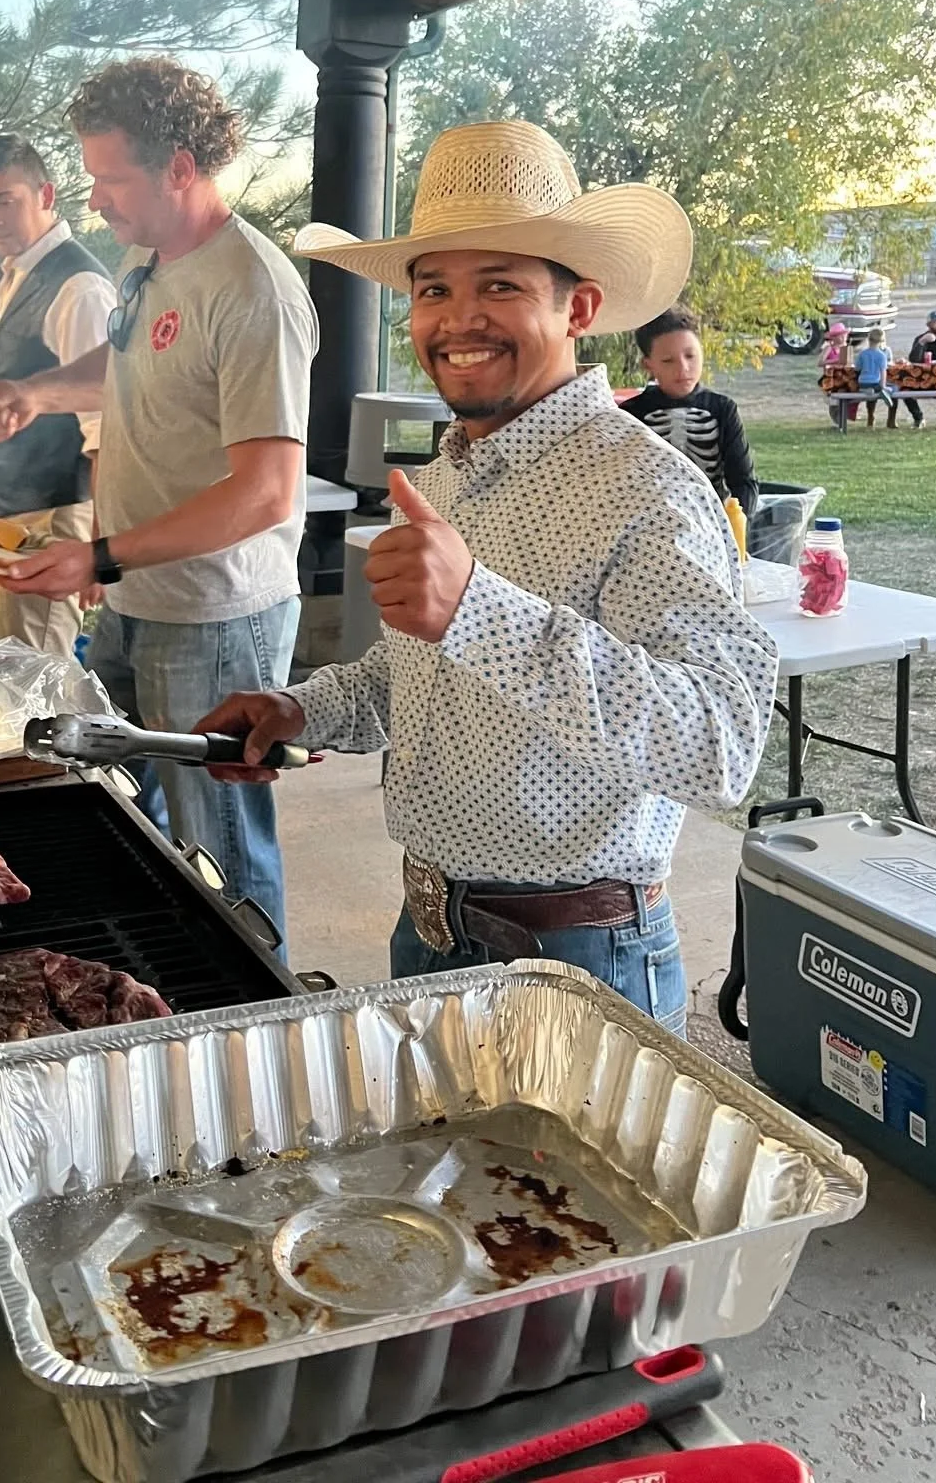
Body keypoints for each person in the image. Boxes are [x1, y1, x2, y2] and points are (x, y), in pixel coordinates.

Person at [196, 120, 777, 1033]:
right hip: (425, 931)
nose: (455, 320)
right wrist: (305, 710)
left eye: (498, 285)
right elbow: (421, 678)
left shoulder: (649, 488)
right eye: (433, 291)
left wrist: (478, 609)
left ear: (578, 310)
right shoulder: (443, 473)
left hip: (579, 964)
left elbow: (722, 745)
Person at [0, 59, 318, 941]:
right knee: (134, 821)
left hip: (213, 617)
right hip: (136, 597)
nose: (96, 202)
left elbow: (266, 493)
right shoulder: (147, 260)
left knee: (223, 853)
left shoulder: (253, 291)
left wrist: (100, 554)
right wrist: (37, 393)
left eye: (110, 179)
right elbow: (122, 370)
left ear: (178, 168)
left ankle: (252, 1029)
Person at [0, 134, 115, 657]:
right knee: (16, 664)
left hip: (57, 515)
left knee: (41, 675)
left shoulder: (80, 287)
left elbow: (107, 418)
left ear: (46, 194)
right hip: (9, 513)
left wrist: (99, 546)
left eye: (5, 201)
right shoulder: (9, 276)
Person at [618, 308, 758, 510]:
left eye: (690, 356)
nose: (683, 368)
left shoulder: (722, 409)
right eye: (668, 361)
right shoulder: (630, 414)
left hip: (713, 525)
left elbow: (744, 483)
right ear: (647, 365)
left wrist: (735, 530)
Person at [853, 325, 894, 429]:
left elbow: (857, 368)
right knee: (882, 387)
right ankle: (880, 391)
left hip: (862, 381)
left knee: (865, 386)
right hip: (875, 382)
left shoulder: (862, 354)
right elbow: (883, 372)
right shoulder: (881, 355)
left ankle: (866, 390)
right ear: (881, 341)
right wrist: (883, 385)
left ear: (868, 339)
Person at [819, 321, 854, 430]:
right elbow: (820, 362)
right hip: (831, 378)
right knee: (834, 402)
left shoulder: (846, 348)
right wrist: (835, 360)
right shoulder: (829, 348)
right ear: (834, 338)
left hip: (843, 377)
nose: (844, 338)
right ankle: (838, 421)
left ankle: (842, 420)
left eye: (845, 335)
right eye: (841, 336)